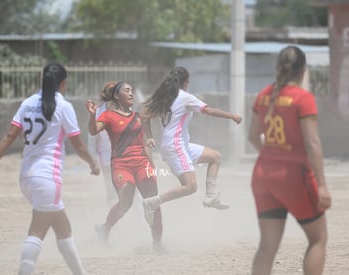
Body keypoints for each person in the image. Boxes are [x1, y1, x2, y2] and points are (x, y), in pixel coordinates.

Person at [0, 62, 100, 275]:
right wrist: (92, 162)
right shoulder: (64, 106)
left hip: (27, 176)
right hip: (47, 178)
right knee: (37, 231)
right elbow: (78, 144)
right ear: (63, 83)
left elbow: (9, 136)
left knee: (62, 227)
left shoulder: (27, 103)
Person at [248, 45, 332, 275]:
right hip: (294, 176)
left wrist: (272, 155)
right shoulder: (303, 99)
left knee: (267, 246)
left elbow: (253, 136)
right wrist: (322, 185)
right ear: (303, 70)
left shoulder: (264, 95)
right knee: (318, 239)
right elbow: (312, 143)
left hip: (263, 175)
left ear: (278, 68)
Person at [140, 66, 242, 225]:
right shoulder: (184, 97)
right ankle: (152, 202)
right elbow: (209, 111)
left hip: (179, 145)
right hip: (176, 146)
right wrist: (232, 116)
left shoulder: (164, 97)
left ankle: (211, 197)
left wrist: (150, 137)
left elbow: (143, 116)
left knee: (215, 157)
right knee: (190, 187)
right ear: (186, 82)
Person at [86, 81, 163, 246]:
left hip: (142, 162)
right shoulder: (107, 116)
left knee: (153, 202)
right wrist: (92, 116)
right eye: (126, 91)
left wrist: (151, 155)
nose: (131, 93)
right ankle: (105, 229)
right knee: (125, 201)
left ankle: (157, 243)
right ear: (116, 95)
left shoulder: (138, 117)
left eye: (132, 91)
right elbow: (93, 131)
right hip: (121, 164)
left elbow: (145, 140)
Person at [87, 97, 117, 206]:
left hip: (122, 157)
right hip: (106, 158)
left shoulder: (124, 109)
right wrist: (94, 161)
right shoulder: (98, 112)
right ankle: (115, 219)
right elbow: (92, 139)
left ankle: (134, 216)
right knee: (110, 188)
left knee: (127, 187)